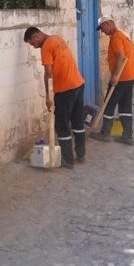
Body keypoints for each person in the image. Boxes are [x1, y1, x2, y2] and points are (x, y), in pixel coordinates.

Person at [23, 26, 86, 168]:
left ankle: (67, 160)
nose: (34, 47)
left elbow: (48, 74)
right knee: (77, 122)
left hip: (65, 89)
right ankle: (81, 154)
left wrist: (48, 96)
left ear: (36, 37)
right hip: (78, 84)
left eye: (33, 44)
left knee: (61, 125)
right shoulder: (57, 38)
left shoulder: (46, 46)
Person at [89, 15, 134, 145]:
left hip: (121, 78)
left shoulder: (116, 37)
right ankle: (128, 136)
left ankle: (105, 133)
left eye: (102, 28)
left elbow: (121, 56)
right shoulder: (123, 34)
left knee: (109, 104)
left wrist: (115, 76)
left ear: (109, 24)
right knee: (125, 106)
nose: (102, 31)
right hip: (130, 76)